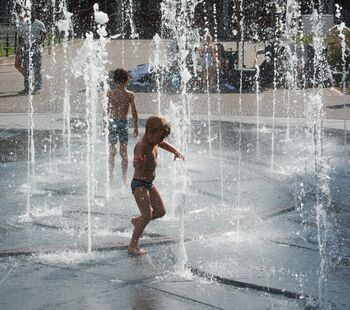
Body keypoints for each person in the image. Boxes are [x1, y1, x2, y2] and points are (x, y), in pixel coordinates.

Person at [128, 115, 185, 256]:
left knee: (160, 211)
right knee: (147, 215)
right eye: (161, 137)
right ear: (150, 132)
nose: (162, 140)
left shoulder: (154, 142)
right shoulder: (141, 146)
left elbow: (164, 145)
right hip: (139, 184)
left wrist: (175, 151)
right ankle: (132, 245)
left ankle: (137, 221)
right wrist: (138, 163)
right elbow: (135, 162)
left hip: (149, 184)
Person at [107, 68, 139, 184]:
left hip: (112, 123)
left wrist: (103, 125)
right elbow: (134, 112)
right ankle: (124, 178)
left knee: (112, 151)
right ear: (127, 80)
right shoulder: (130, 95)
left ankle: (110, 176)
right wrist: (135, 127)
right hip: (123, 123)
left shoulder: (110, 93)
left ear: (114, 80)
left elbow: (106, 110)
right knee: (123, 152)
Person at [19, 9, 47, 95]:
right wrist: (21, 47)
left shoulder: (39, 23)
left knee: (37, 69)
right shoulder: (23, 24)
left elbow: (44, 34)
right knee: (27, 70)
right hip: (26, 49)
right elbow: (20, 37)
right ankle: (27, 88)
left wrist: (38, 42)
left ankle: (37, 88)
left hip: (36, 49)